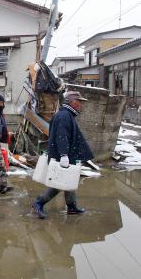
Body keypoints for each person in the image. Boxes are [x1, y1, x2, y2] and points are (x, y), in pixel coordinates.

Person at [32, 91, 94, 219]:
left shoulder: (67, 115)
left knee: (69, 181)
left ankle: (71, 207)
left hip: (66, 156)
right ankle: (38, 203)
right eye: (79, 102)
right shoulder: (64, 116)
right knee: (58, 184)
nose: (81, 105)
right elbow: (62, 137)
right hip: (62, 157)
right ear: (71, 102)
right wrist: (64, 155)